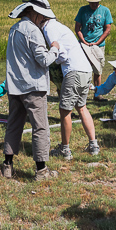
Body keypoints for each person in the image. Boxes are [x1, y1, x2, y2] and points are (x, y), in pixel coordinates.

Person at [3, 0, 61, 181]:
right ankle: (42, 170)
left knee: (13, 126)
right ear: (34, 12)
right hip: (33, 87)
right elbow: (44, 60)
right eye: (42, 16)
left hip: (15, 86)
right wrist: (55, 49)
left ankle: (7, 166)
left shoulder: (14, 29)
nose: (44, 20)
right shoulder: (33, 31)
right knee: (40, 128)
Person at [42, 18, 100, 160]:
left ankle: (65, 149)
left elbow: (62, 55)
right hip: (85, 70)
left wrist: (52, 60)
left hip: (73, 71)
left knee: (65, 110)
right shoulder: (59, 26)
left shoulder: (48, 29)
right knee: (82, 107)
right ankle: (94, 145)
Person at [75, 0, 113, 98]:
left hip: (98, 46)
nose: (93, 4)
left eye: (95, 2)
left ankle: (97, 94)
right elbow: (77, 28)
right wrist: (83, 41)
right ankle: (82, 94)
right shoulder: (83, 10)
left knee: (98, 70)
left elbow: (107, 29)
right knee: (82, 69)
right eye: (91, 2)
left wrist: (97, 42)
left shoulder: (105, 11)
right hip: (84, 44)